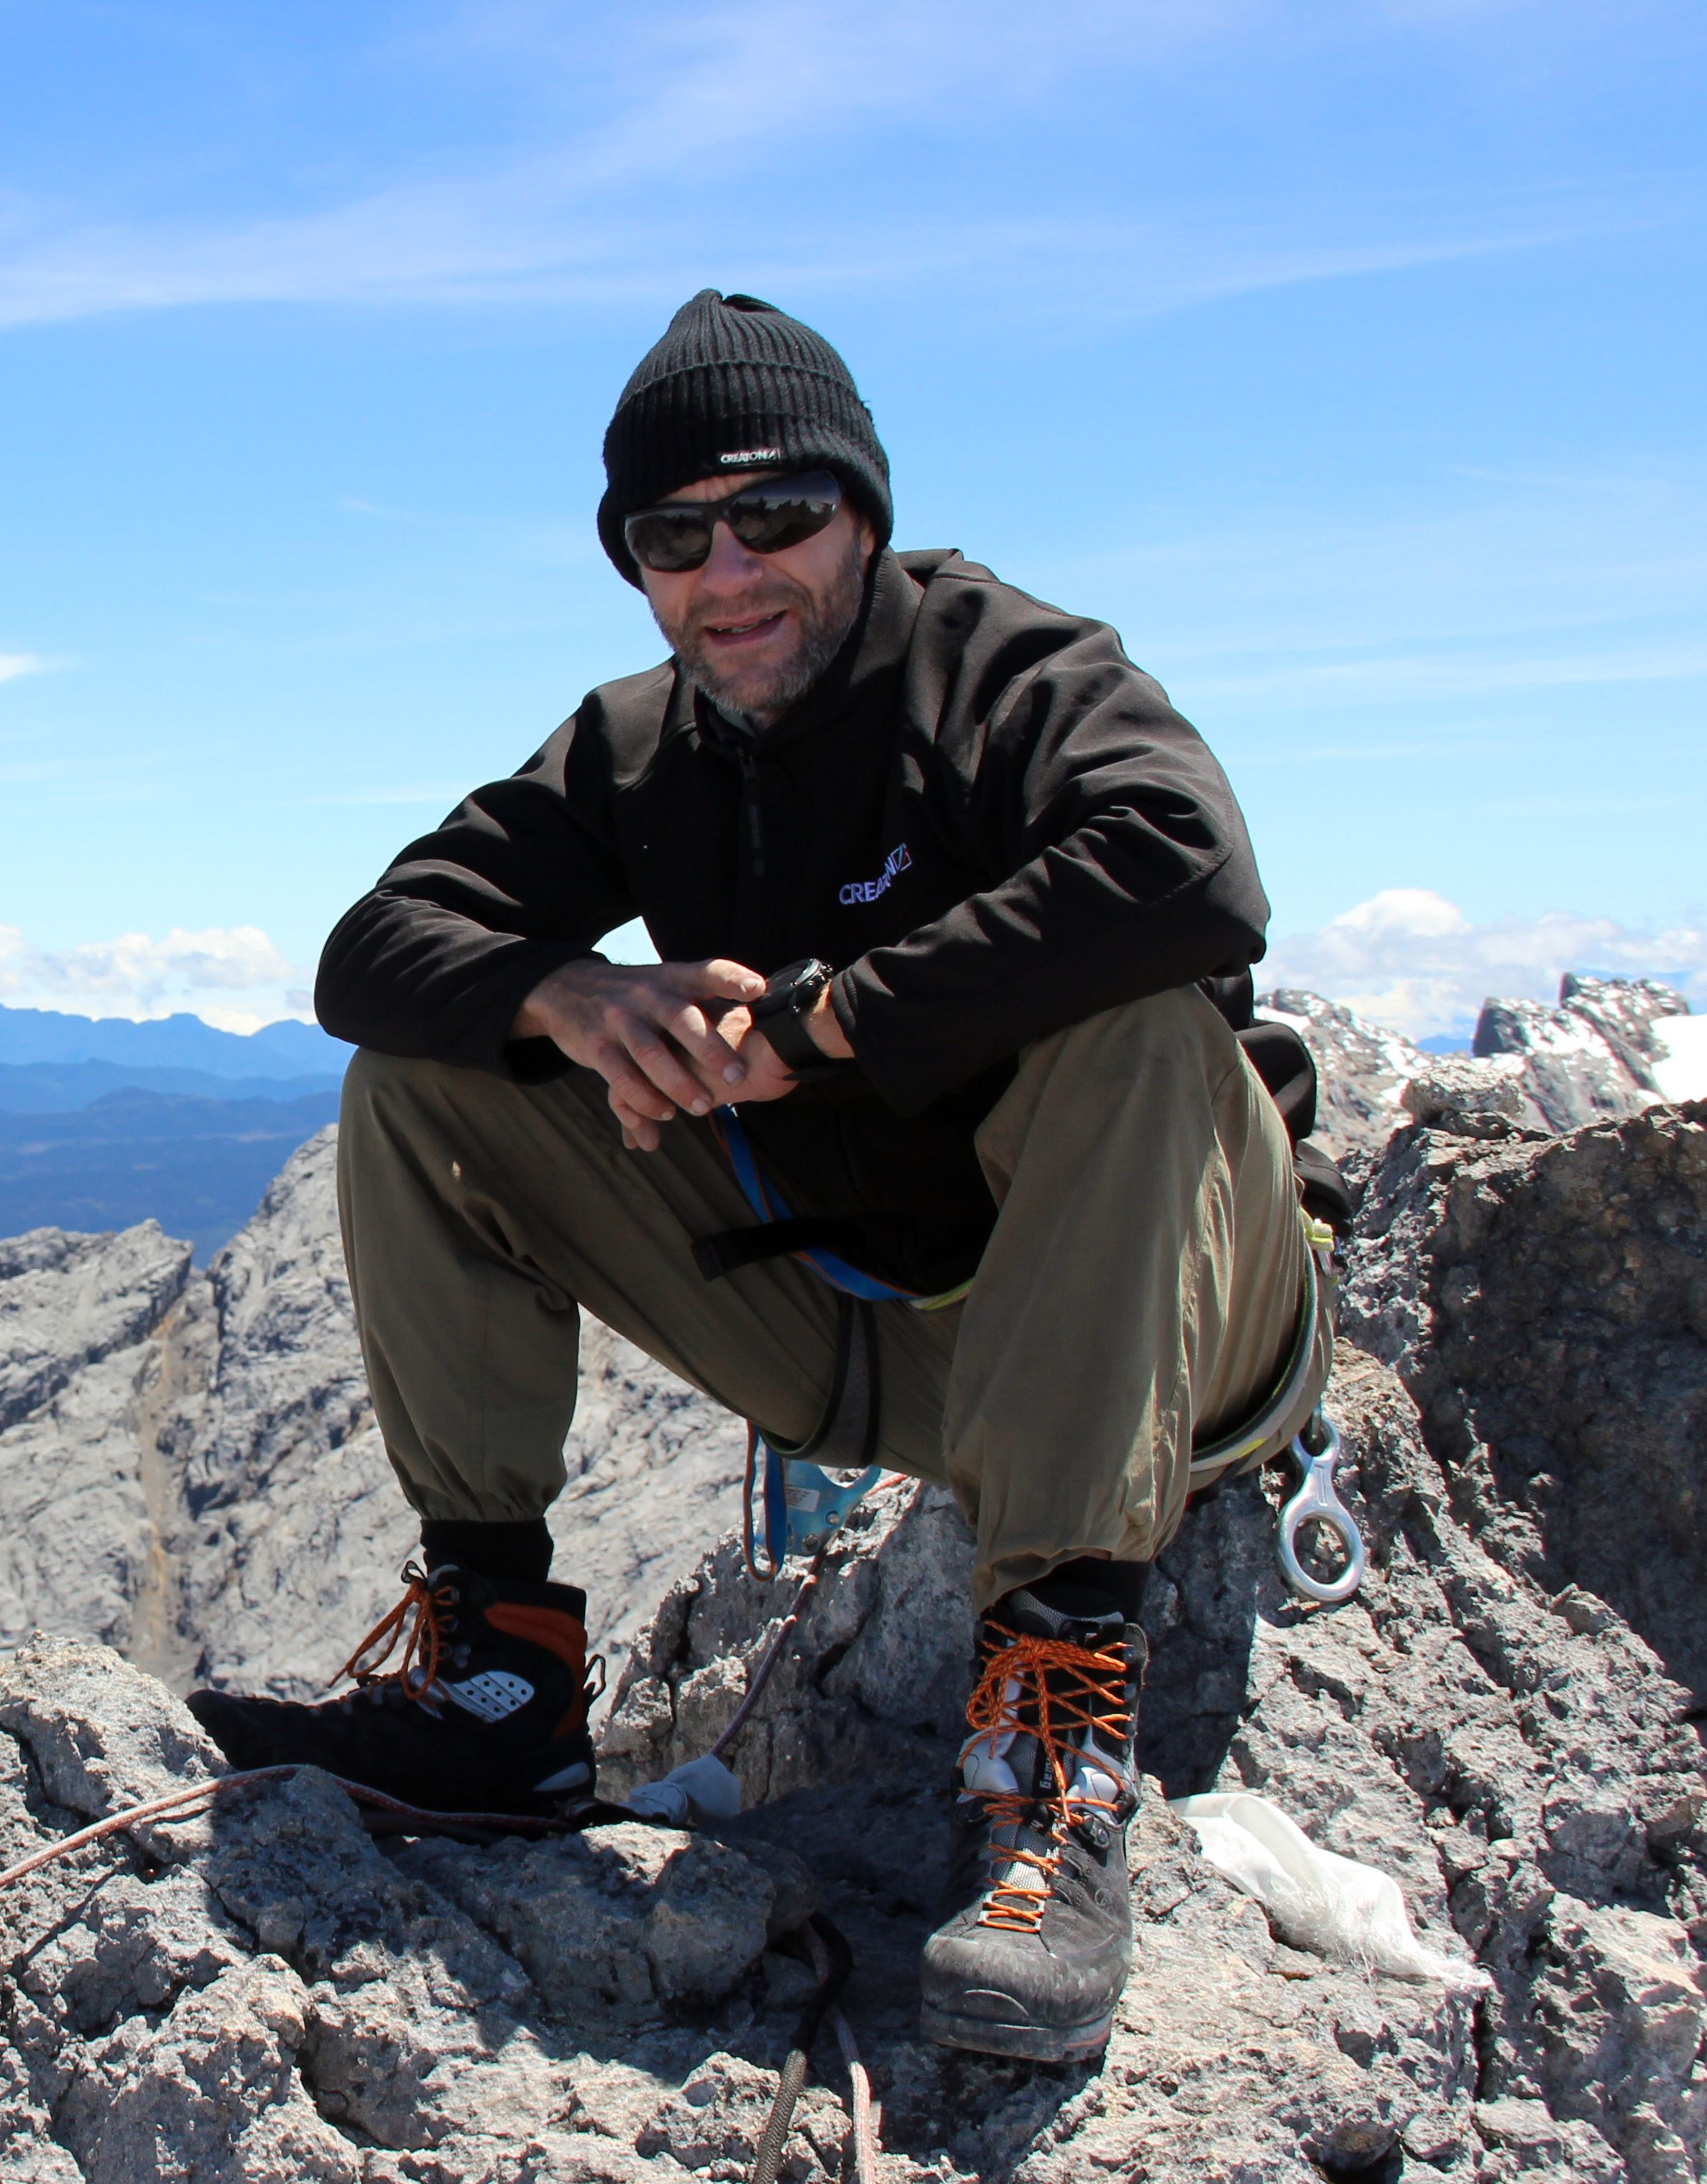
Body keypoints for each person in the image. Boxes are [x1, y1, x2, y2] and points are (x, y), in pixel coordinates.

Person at [185, 291, 1317, 2064]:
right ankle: (500, 1685)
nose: (729, 572)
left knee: (1138, 1024)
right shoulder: (646, 745)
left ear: (862, 514)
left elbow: (1191, 869)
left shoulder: (1004, 673)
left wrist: (830, 1023)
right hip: (869, 1333)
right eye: (674, 536)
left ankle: (1051, 1761)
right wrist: (571, 994)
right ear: (635, 566)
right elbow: (371, 952)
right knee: (426, 1076)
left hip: (1168, 1347)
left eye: (776, 514)